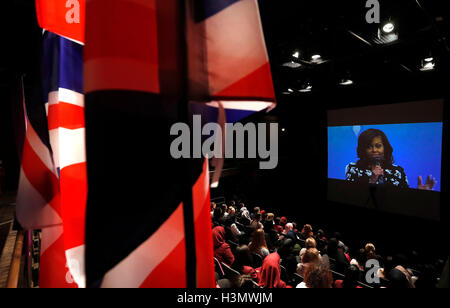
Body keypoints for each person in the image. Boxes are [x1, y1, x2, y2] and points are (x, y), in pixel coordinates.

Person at [345, 129, 437, 189]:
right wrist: (372, 180)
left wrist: (418, 193)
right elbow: (353, 197)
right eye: (369, 147)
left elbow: (405, 200)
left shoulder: (398, 171)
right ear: (363, 149)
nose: (374, 150)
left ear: (385, 148)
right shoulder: (353, 168)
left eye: (378, 146)